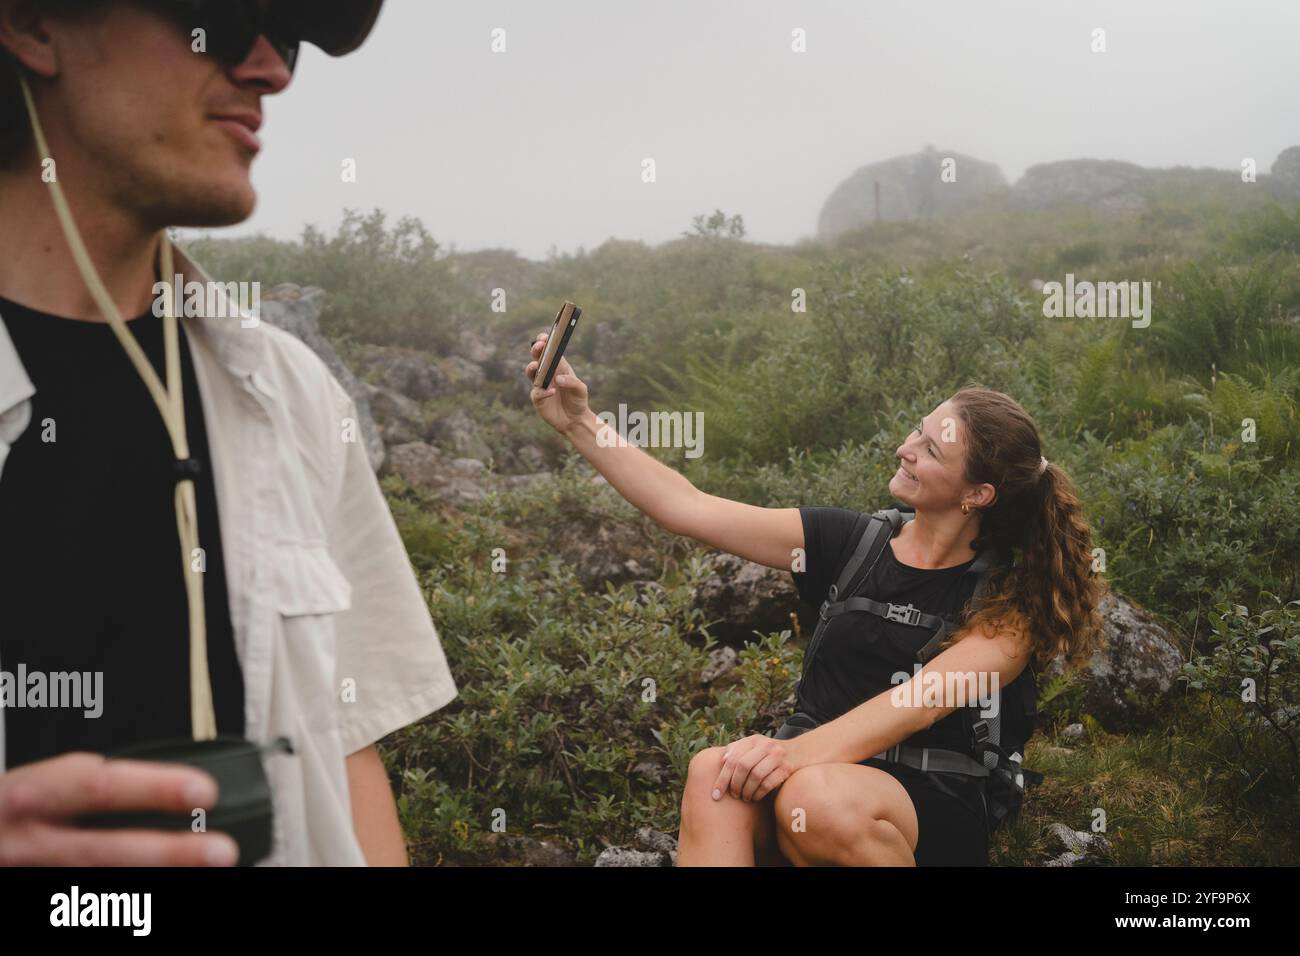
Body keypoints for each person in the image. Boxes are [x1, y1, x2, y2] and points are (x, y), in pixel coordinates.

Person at [0, 0, 457, 866]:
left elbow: (348, 748)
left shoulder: (290, 396)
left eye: (284, 36)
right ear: (32, 23)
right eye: (219, 13)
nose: (270, 70)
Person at [526, 336, 1105, 866]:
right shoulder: (850, 543)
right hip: (808, 774)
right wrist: (579, 422)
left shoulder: (1010, 597)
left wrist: (788, 758)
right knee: (714, 774)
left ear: (977, 494)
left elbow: (923, 702)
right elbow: (688, 507)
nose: (905, 448)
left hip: (924, 799)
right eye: (917, 429)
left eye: (930, 449)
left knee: (817, 796)